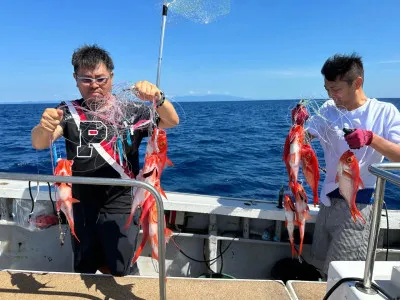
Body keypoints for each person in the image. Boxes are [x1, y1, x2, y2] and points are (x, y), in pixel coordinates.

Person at [31, 44, 179, 276]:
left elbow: (171, 121)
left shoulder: (133, 111)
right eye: (86, 80)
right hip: (80, 201)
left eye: (100, 78)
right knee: (84, 264)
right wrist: (44, 126)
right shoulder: (67, 111)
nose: (94, 86)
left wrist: (158, 99)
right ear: (75, 79)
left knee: (121, 265)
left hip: (121, 200)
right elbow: (39, 143)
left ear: (111, 76)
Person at [292, 53, 400, 277]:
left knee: (341, 274)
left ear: (357, 83)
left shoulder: (384, 112)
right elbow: (305, 139)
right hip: (327, 203)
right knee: (319, 267)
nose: (331, 95)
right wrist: (299, 124)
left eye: (336, 89)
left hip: (357, 207)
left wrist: (371, 138)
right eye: (327, 89)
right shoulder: (328, 110)